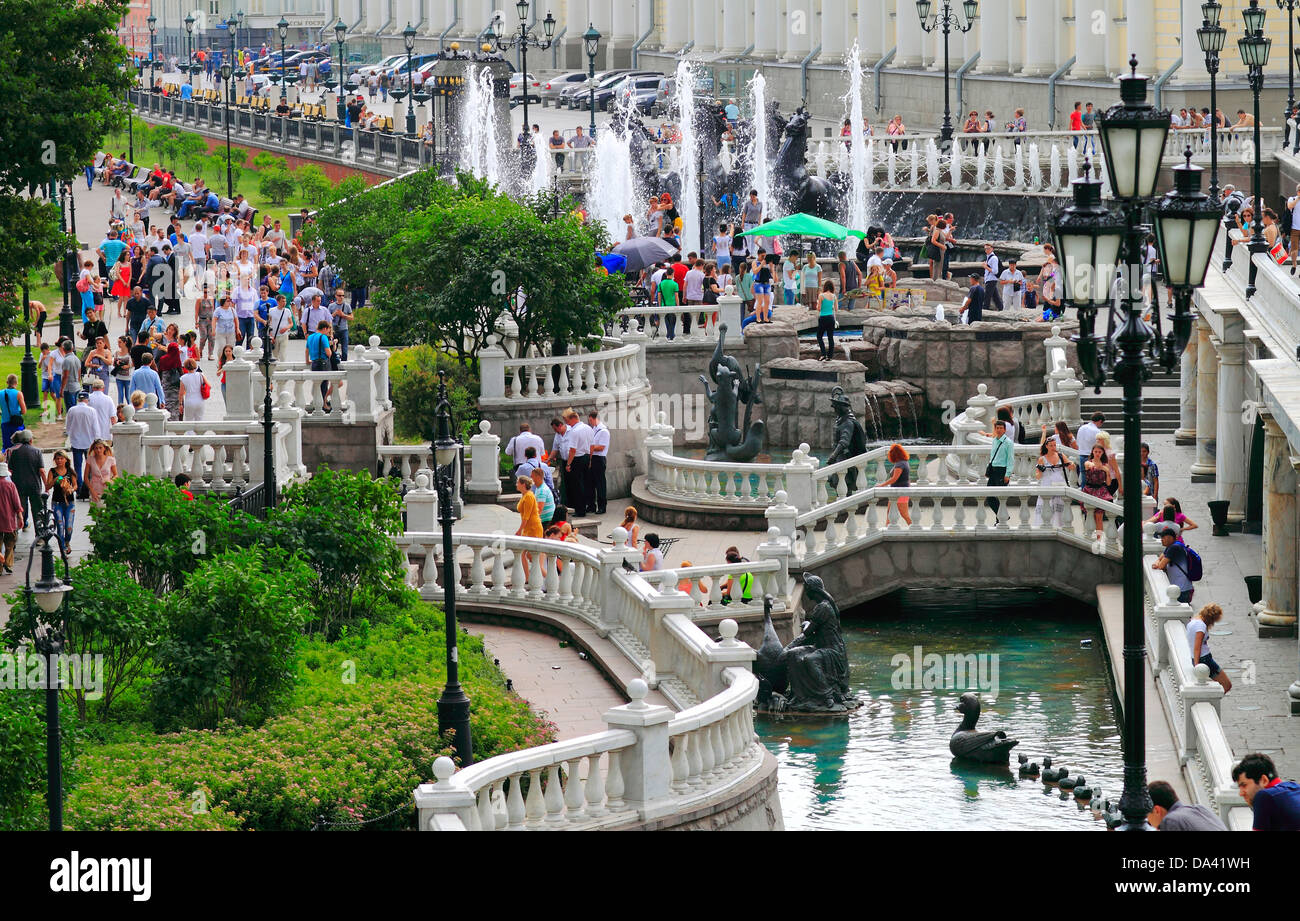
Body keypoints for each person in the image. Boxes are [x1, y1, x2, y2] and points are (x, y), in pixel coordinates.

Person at [1232, 752, 1300, 831]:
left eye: (1244, 785)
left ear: (1264, 780)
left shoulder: (1264, 796)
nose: (1241, 793)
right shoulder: (1295, 787)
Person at [1146, 781, 1227, 831]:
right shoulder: (1200, 809)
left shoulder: (1170, 821)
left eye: (1147, 818)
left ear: (1157, 810)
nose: (1149, 823)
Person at [1188, 603, 1231, 694]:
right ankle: (1215, 701)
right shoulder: (1201, 627)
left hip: (1197, 658)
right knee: (1226, 685)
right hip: (1204, 659)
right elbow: (1197, 648)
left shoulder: (1193, 621)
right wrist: (1197, 667)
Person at [1033, 439, 1074, 528]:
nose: (1053, 447)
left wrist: (1071, 463)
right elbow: (1038, 476)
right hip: (1047, 483)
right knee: (1047, 506)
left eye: (1054, 445)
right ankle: (1045, 526)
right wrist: (1040, 470)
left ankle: (1060, 526)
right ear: (1046, 446)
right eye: (1051, 445)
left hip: (1059, 483)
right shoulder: (1042, 459)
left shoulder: (1061, 455)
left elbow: (1071, 467)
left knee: (1059, 506)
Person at [1152, 523, 1194, 604]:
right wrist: (1158, 562)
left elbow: (1161, 566)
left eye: (1163, 537)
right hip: (1183, 587)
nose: (1161, 540)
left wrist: (1157, 564)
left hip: (1181, 589)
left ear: (1170, 538)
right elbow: (1160, 558)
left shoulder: (1174, 548)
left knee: (1180, 614)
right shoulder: (1175, 545)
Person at [562, 408, 593, 518]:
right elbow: (592, 446)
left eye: (568, 421)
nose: (567, 424)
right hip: (586, 457)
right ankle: (588, 505)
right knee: (586, 483)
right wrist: (590, 459)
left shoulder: (574, 431)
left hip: (577, 459)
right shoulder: (588, 428)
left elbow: (572, 450)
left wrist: (568, 464)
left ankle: (580, 510)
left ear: (573, 419)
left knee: (578, 485)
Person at [46, 450, 77, 555]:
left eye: (61, 458)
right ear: (55, 460)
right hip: (57, 502)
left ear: (66, 460)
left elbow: (75, 485)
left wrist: (71, 489)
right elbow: (47, 486)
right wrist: (54, 480)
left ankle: (67, 541)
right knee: (60, 525)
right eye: (57, 459)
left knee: (69, 527)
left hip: (69, 502)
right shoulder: (52, 471)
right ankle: (63, 548)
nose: (59, 461)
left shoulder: (70, 471)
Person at [985, 420, 1013, 519]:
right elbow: (992, 456)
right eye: (997, 428)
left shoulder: (1008, 443)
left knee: (1001, 497)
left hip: (1002, 471)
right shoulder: (994, 440)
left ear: (1005, 430)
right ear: (995, 429)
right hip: (993, 470)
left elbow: (1010, 459)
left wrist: (1008, 474)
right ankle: (1002, 515)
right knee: (989, 496)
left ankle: (1000, 519)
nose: (999, 430)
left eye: (1001, 428)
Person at [880, 443, 913, 525]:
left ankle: (914, 528)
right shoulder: (904, 462)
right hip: (898, 491)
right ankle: (886, 529)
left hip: (900, 492)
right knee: (889, 512)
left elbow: (894, 478)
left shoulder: (900, 464)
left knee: (904, 514)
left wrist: (882, 485)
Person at [587, 410, 609, 516]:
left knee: (600, 484)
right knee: (590, 483)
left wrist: (590, 447)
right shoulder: (594, 429)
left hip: (599, 459)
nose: (590, 422)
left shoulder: (603, 431)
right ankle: (591, 505)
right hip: (593, 458)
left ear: (594, 418)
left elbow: (601, 447)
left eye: (590, 420)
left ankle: (602, 506)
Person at [0, 462, 21, 572]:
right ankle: (7, 563)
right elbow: (16, 503)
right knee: (10, 542)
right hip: (9, 519)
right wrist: (20, 516)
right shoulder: (10, 485)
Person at [84, 440, 117, 506]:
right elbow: (85, 477)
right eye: (96, 448)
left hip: (107, 489)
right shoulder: (90, 459)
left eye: (100, 448)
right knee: (96, 512)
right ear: (93, 449)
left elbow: (116, 475)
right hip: (95, 488)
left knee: (107, 512)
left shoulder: (111, 459)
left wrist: (110, 481)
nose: (98, 450)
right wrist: (92, 491)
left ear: (104, 448)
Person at [0, 374, 26, 450]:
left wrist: (2, 412)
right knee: (20, 444)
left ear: (7, 382)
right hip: (16, 423)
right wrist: (18, 412)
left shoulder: (0, 393)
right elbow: (24, 411)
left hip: (5, 422)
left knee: (6, 445)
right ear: (16, 383)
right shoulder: (18, 394)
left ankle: (6, 460)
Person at [815, 280, 837, 361]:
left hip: (823, 318)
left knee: (819, 336)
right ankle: (830, 356)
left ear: (824, 287)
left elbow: (819, 308)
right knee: (830, 337)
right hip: (831, 318)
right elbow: (836, 308)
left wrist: (818, 304)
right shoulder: (834, 296)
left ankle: (823, 354)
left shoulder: (821, 295)